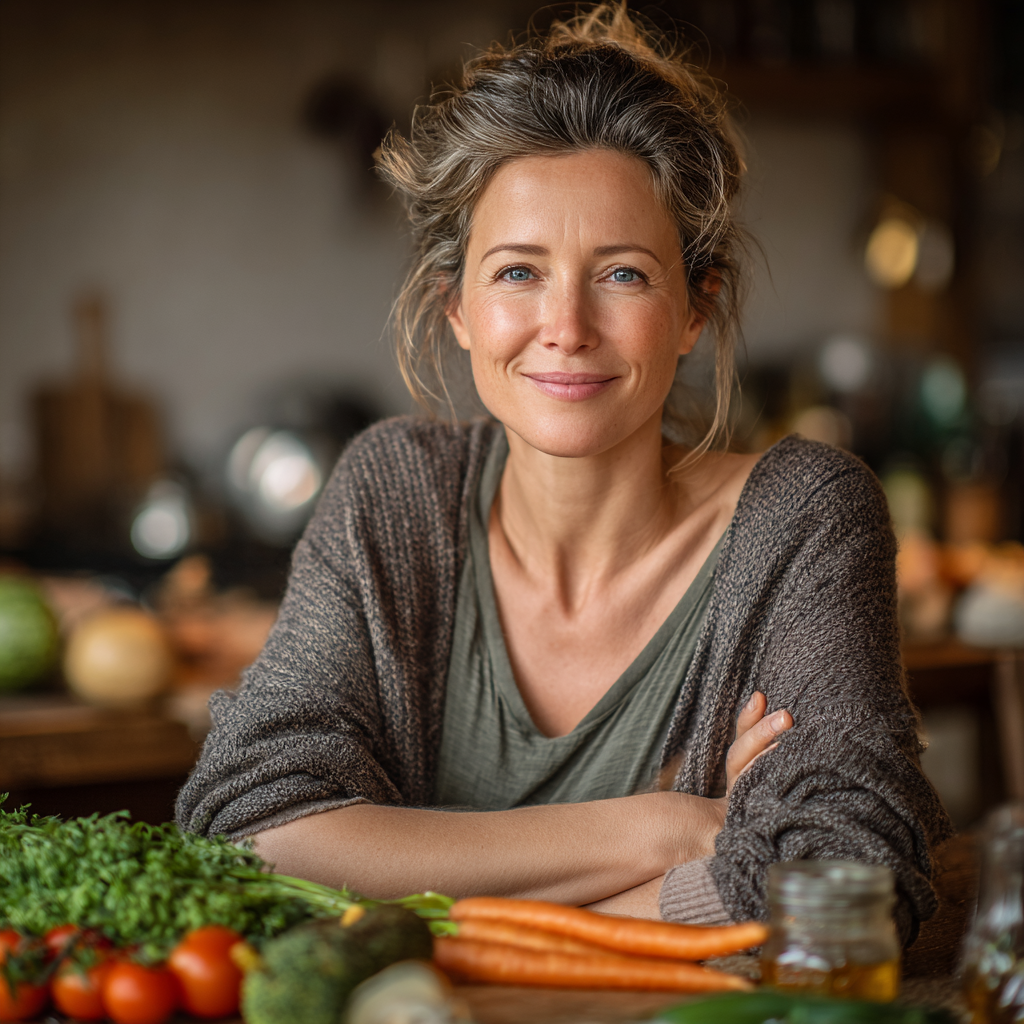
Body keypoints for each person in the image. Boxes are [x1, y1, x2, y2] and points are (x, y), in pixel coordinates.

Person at [177, 3, 951, 940]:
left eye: (622, 273)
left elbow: (852, 887)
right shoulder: (395, 493)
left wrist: (430, 914)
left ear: (695, 307)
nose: (568, 327)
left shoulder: (804, 519)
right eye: (517, 273)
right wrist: (669, 829)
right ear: (455, 308)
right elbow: (247, 831)